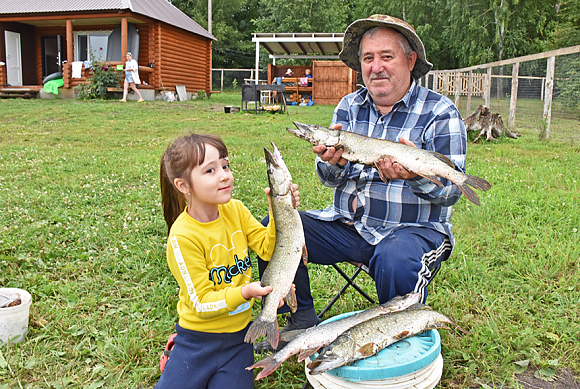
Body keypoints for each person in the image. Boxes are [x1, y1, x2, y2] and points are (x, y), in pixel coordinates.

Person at [257, 14, 467, 339]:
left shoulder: (440, 112)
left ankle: (398, 334)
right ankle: (299, 318)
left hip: (411, 231)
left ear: (410, 60)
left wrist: (413, 176)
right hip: (347, 225)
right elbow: (329, 178)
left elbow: (451, 193)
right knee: (273, 230)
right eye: (368, 58)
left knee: (396, 260)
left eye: (387, 56)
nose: (375, 67)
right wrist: (332, 162)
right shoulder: (348, 106)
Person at [157, 134, 297, 389]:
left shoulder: (236, 210)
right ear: (183, 185)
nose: (224, 175)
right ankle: (173, 353)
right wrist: (244, 292)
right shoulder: (183, 237)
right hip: (197, 342)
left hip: (238, 341)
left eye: (225, 165)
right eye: (210, 170)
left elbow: (267, 249)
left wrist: (278, 210)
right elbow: (200, 302)